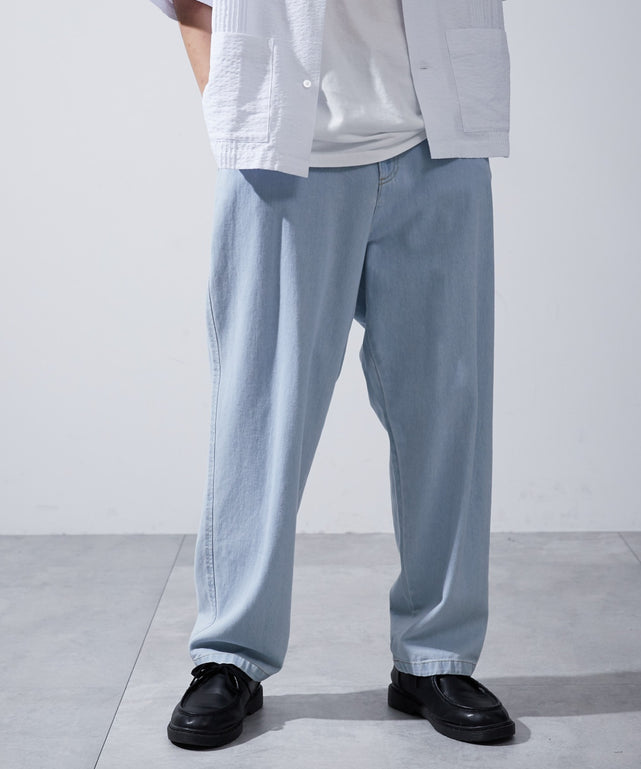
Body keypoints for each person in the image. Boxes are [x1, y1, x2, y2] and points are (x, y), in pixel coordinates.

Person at [149, 0, 516, 749]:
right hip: (283, 154)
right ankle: (230, 654)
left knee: (448, 413)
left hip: (438, 142)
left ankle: (436, 656)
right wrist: (231, 103)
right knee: (261, 417)